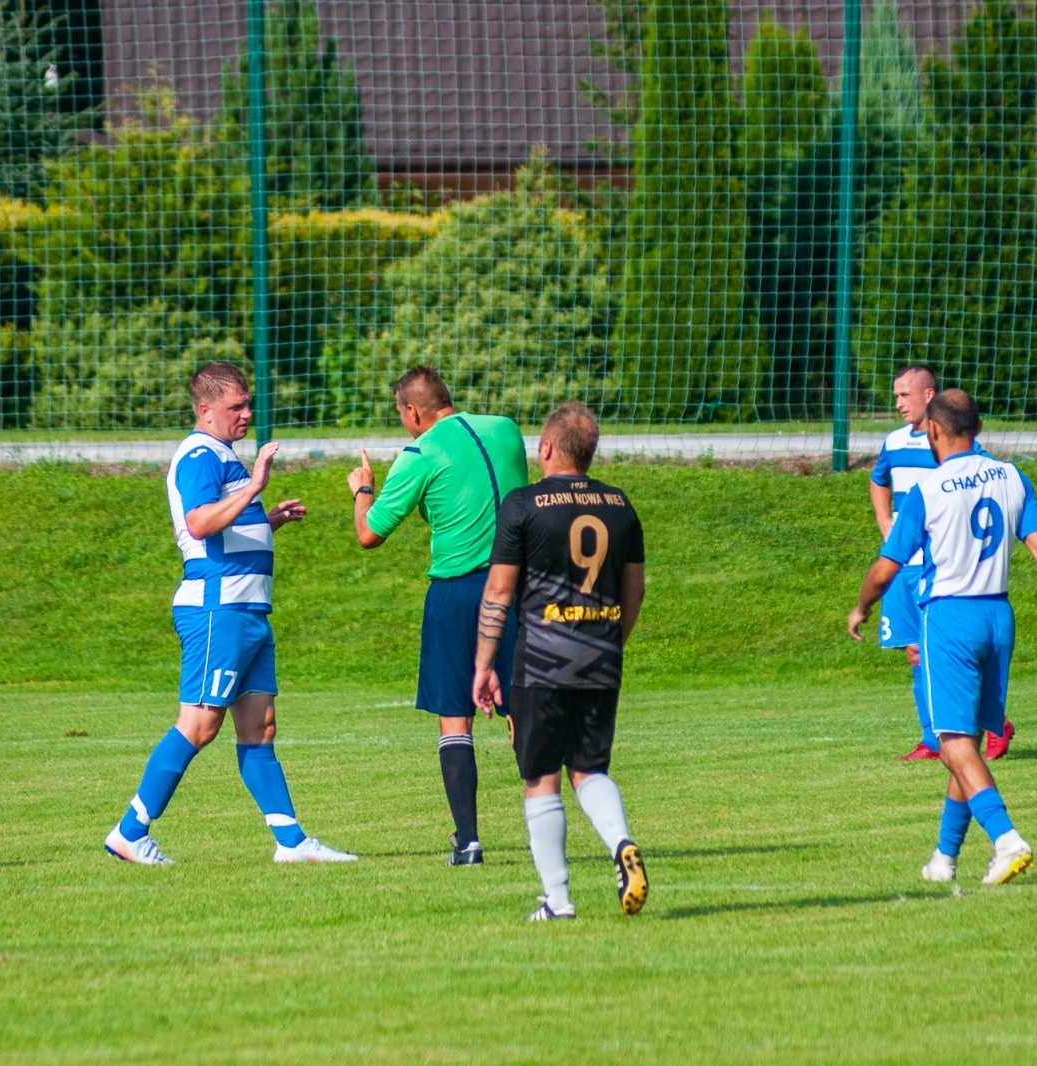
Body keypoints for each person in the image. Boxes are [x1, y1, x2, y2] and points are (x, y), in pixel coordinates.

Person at [104, 361, 354, 866]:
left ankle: (292, 843)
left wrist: (269, 522)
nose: (246, 414)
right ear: (206, 409)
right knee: (198, 725)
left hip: (248, 611)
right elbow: (198, 524)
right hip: (218, 609)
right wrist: (254, 488)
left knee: (259, 728)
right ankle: (130, 832)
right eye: (235, 406)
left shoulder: (222, 455)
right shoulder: (200, 455)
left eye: (248, 403)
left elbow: (227, 530)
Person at [848, 389, 1037, 886]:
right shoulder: (1011, 476)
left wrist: (861, 607)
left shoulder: (930, 490)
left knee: (953, 741)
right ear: (978, 429)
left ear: (933, 431)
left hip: (951, 616)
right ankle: (943, 859)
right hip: (998, 616)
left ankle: (1007, 838)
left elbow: (886, 567)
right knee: (971, 742)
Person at [472, 402, 648, 921]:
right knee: (589, 768)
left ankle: (559, 899)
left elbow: (499, 593)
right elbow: (634, 589)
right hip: (601, 653)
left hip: (542, 660)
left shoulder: (523, 503)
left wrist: (484, 664)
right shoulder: (621, 504)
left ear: (546, 448)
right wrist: (611, 639)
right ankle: (621, 844)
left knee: (541, 776)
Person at [347, 366, 527, 866]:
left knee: (455, 717)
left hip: (458, 591)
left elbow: (370, 533)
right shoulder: (506, 429)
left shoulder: (418, 454)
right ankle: (544, 823)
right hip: (516, 585)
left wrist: (364, 488)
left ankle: (468, 842)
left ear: (412, 411)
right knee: (522, 712)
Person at [872, 366, 1014, 762]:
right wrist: (886, 522)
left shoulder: (951, 441)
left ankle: (990, 721)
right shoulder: (894, 441)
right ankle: (931, 740)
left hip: (940, 565)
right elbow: (878, 478)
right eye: (896, 395)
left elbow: (981, 477)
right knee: (915, 651)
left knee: (939, 651)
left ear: (929, 395)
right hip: (902, 561)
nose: (898, 402)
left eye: (905, 395)